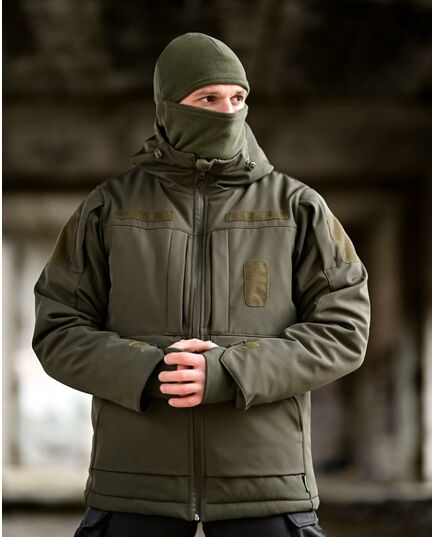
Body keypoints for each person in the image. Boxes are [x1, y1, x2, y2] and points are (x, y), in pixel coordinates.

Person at [32, 32, 370, 537]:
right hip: (134, 484)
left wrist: (229, 371)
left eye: (237, 97)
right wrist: (151, 370)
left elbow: (345, 331)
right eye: (208, 99)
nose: (227, 111)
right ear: (168, 107)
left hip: (266, 484)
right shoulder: (108, 208)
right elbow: (58, 330)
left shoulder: (299, 207)